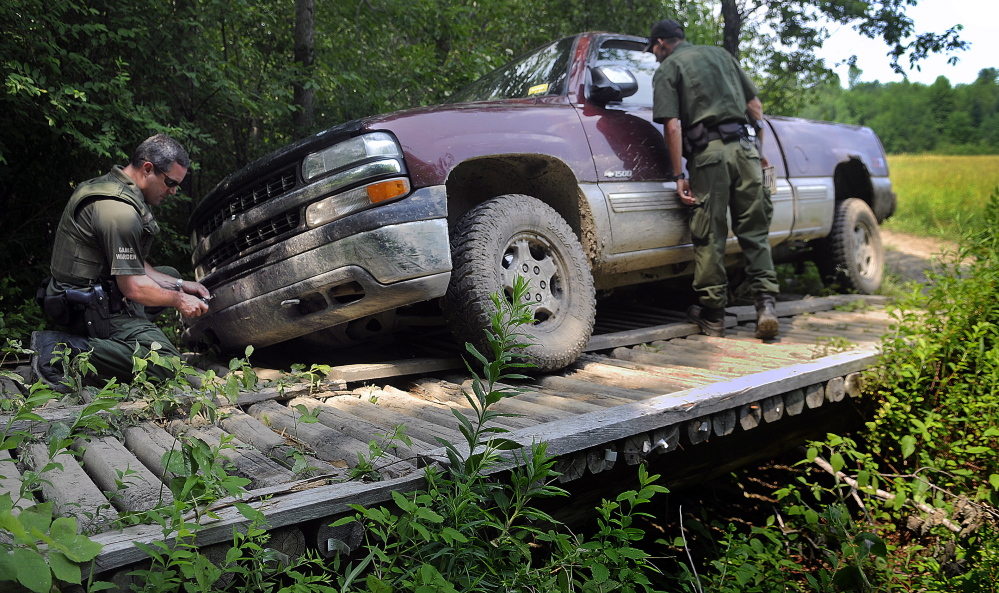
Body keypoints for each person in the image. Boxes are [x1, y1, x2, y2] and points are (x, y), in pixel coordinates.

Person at [31, 134, 210, 391]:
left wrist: (181, 285)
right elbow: (133, 288)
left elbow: (134, 262)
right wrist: (180, 301)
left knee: (169, 276)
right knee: (169, 364)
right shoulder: (120, 211)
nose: (173, 191)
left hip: (95, 291)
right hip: (85, 306)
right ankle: (60, 350)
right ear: (148, 168)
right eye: (170, 182)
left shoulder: (112, 186)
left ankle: (123, 341)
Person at [646, 18, 779, 340]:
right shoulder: (722, 55)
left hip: (710, 157)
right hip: (747, 151)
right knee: (755, 230)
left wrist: (679, 174)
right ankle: (766, 306)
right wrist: (758, 150)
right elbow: (755, 107)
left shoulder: (668, 68)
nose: (654, 55)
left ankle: (714, 316)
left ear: (662, 43)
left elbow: (673, 126)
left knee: (709, 235)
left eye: (653, 49)